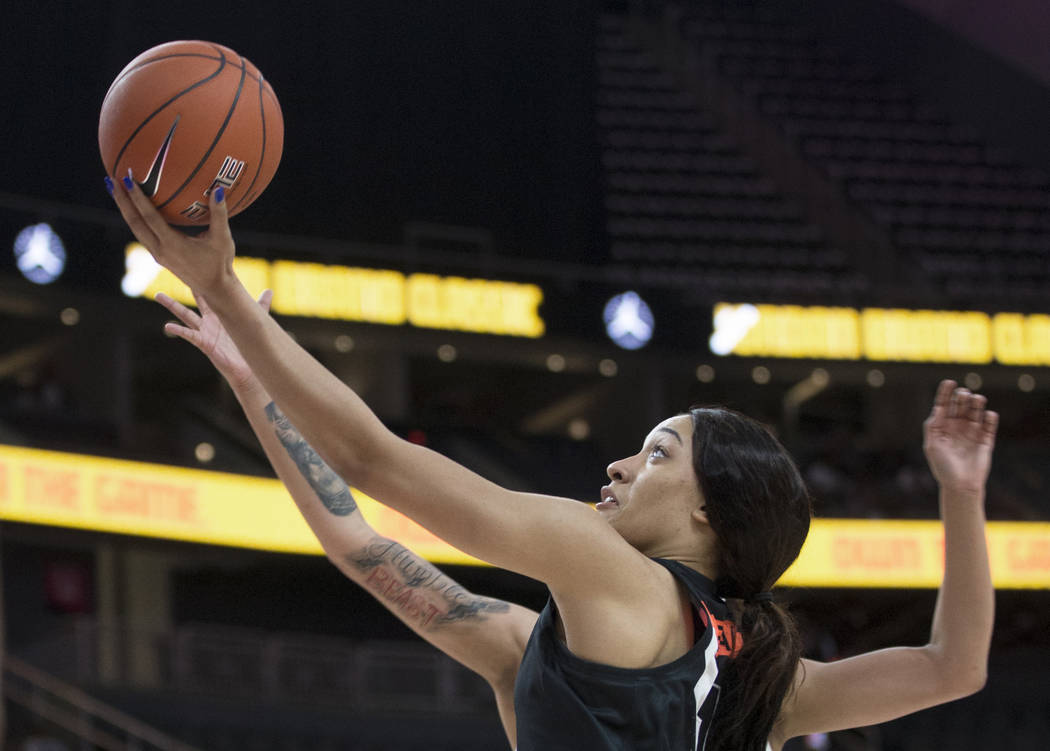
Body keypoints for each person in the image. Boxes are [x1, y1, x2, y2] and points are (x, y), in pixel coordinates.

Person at [109, 178, 998, 750]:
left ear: (708, 516)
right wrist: (960, 495)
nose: (616, 465)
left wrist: (228, 292)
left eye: (656, 452)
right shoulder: (755, 680)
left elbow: (371, 462)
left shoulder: (611, 571)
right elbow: (952, 668)